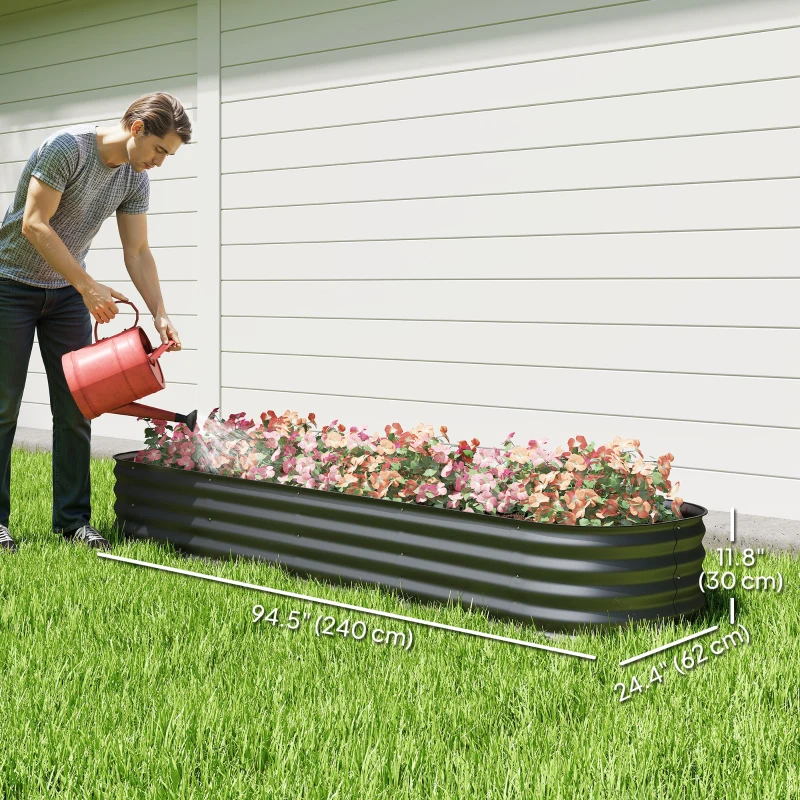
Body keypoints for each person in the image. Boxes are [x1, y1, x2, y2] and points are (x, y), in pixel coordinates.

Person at [0, 92, 191, 554]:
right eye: (160, 150)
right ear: (138, 128)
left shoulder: (134, 177)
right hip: (10, 285)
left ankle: (72, 522)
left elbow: (138, 251)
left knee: (75, 409)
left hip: (65, 295)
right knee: (3, 408)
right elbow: (35, 224)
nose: (160, 163)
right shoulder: (67, 148)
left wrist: (161, 310)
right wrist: (88, 286)